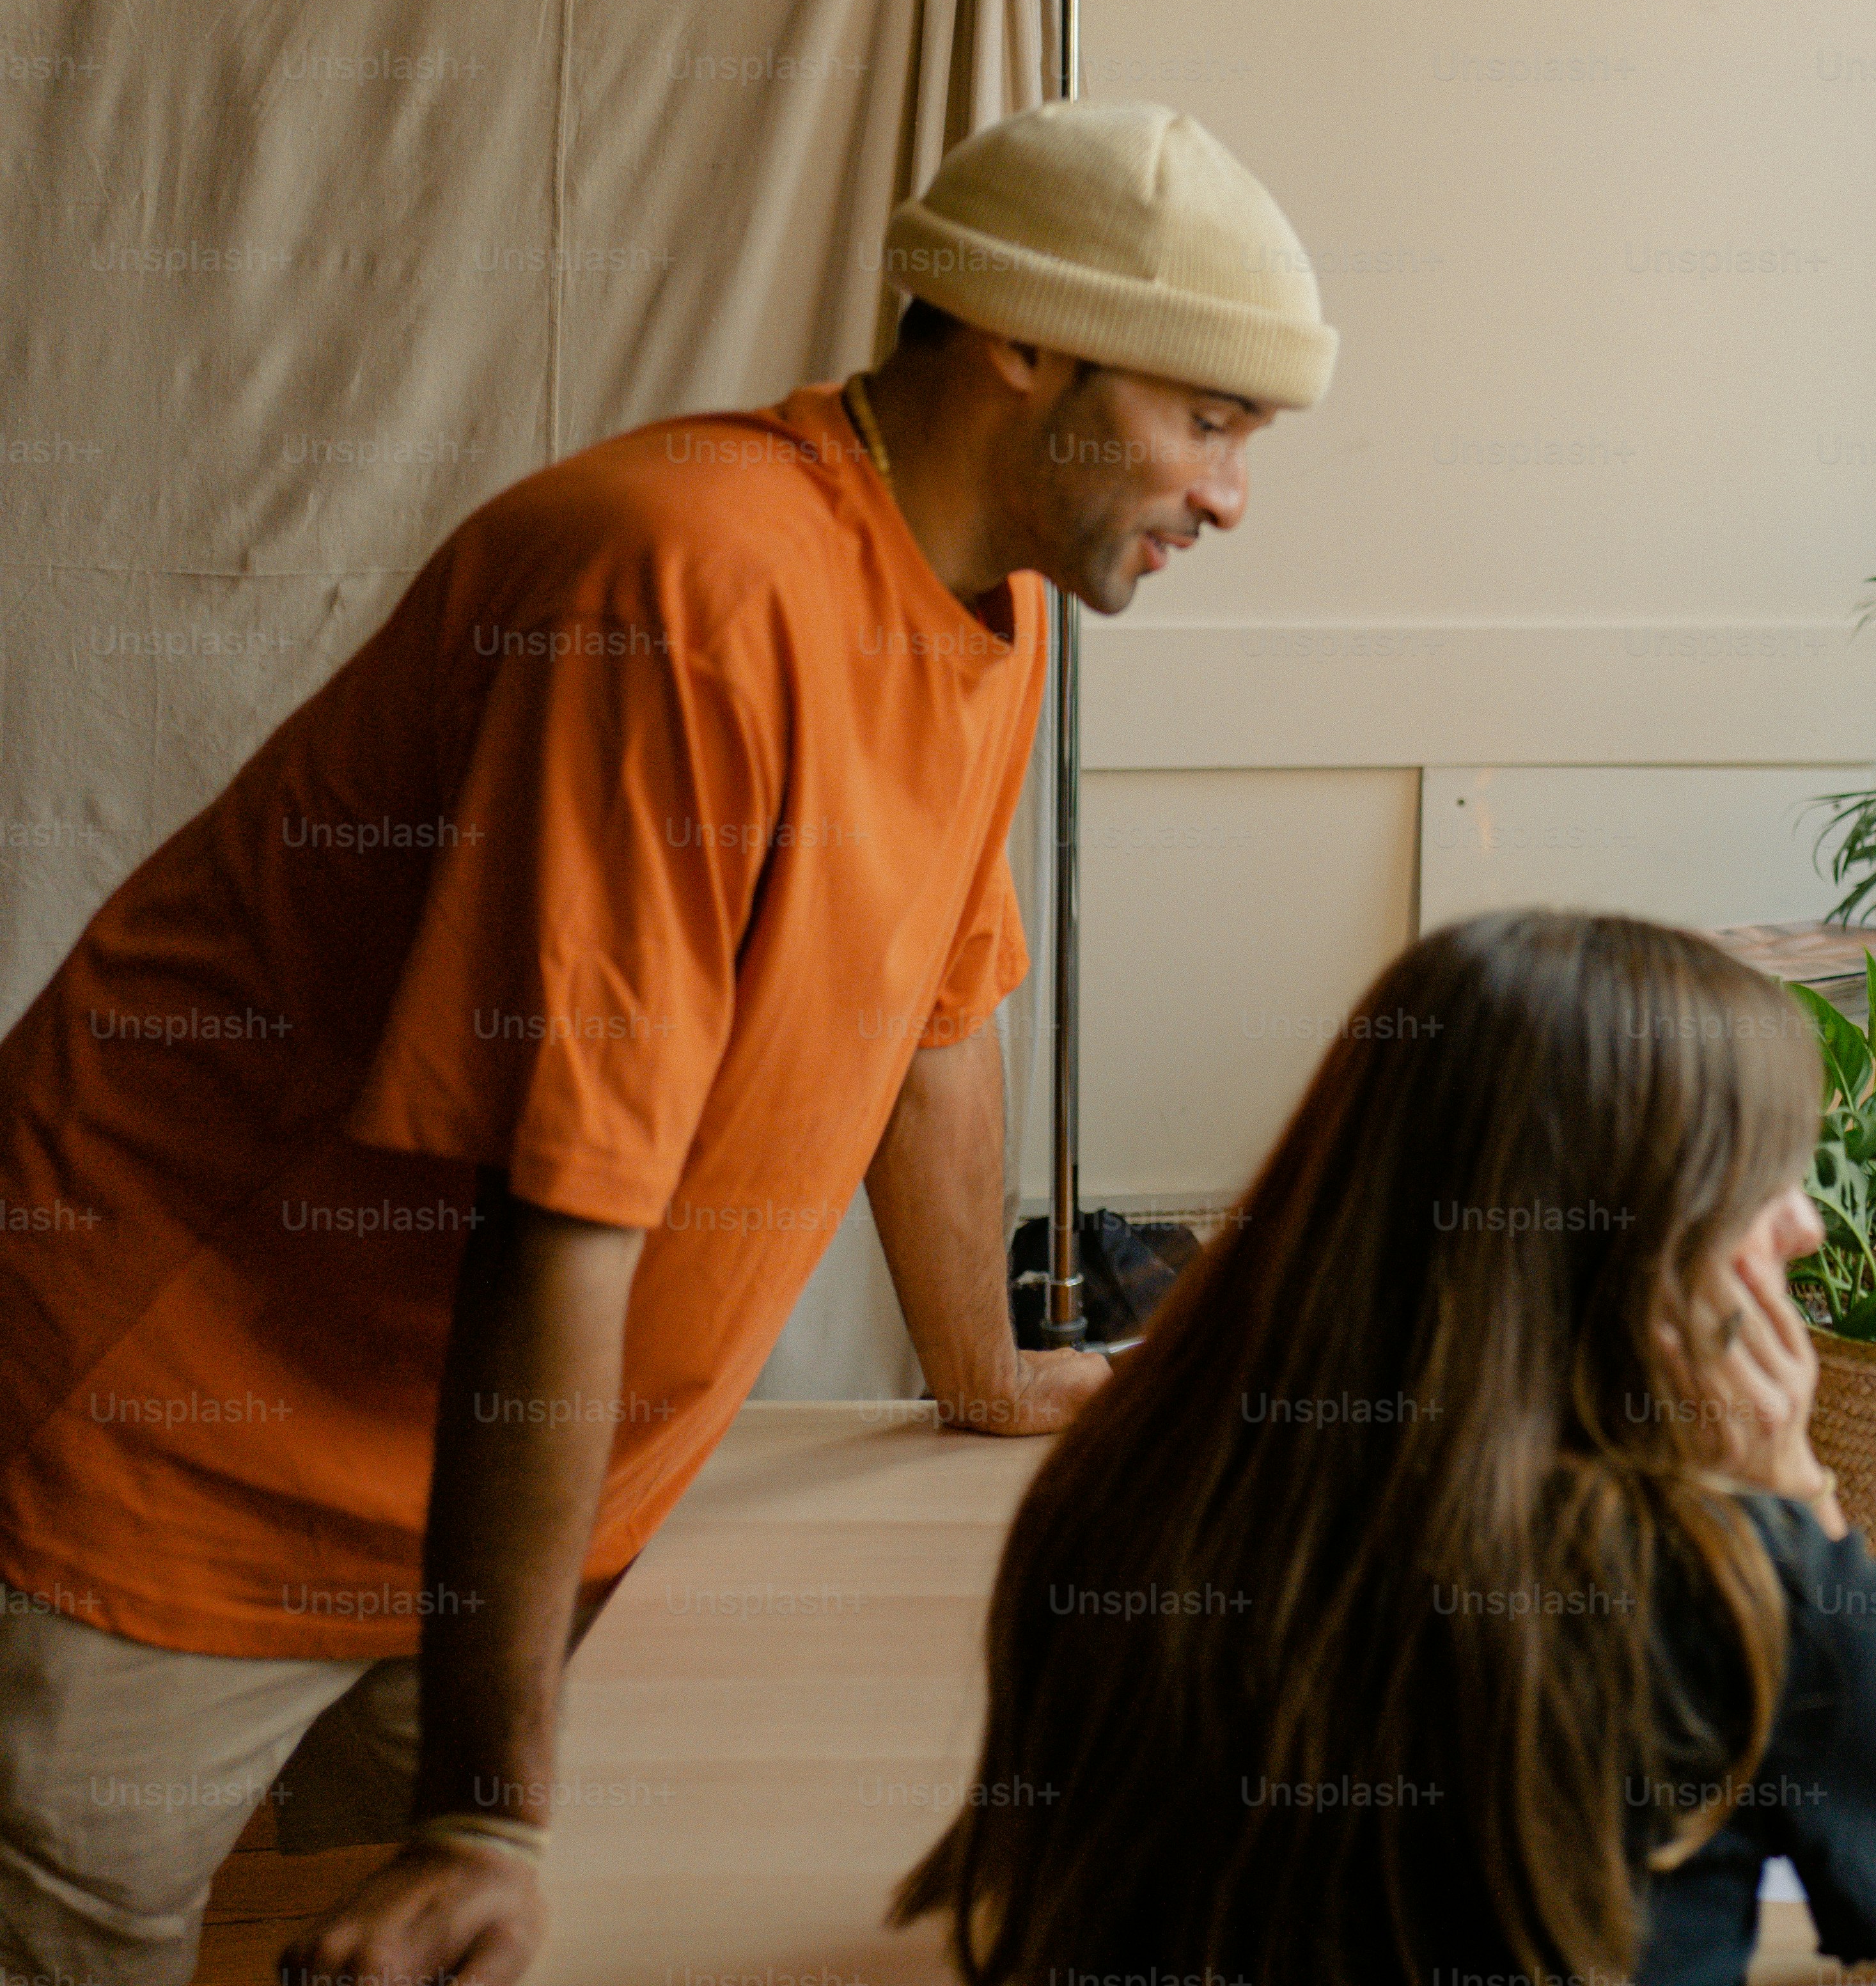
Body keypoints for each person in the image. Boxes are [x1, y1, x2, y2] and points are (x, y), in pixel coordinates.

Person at [0, 97, 1337, 1986]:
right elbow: (557, 1209)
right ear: (1021, 340)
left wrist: (982, 1366)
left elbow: (930, 1013)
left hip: (480, 1506)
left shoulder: (1001, 607)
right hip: (169, 1428)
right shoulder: (687, 588)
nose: (1229, 495)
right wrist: (484, 1809)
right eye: (1205, 419)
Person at [894, 909, 1876, 1985]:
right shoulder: (1728, 1585)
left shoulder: (1129, 1481)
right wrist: (1807, 1510)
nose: (1804, 1225)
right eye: (1763, 1179)